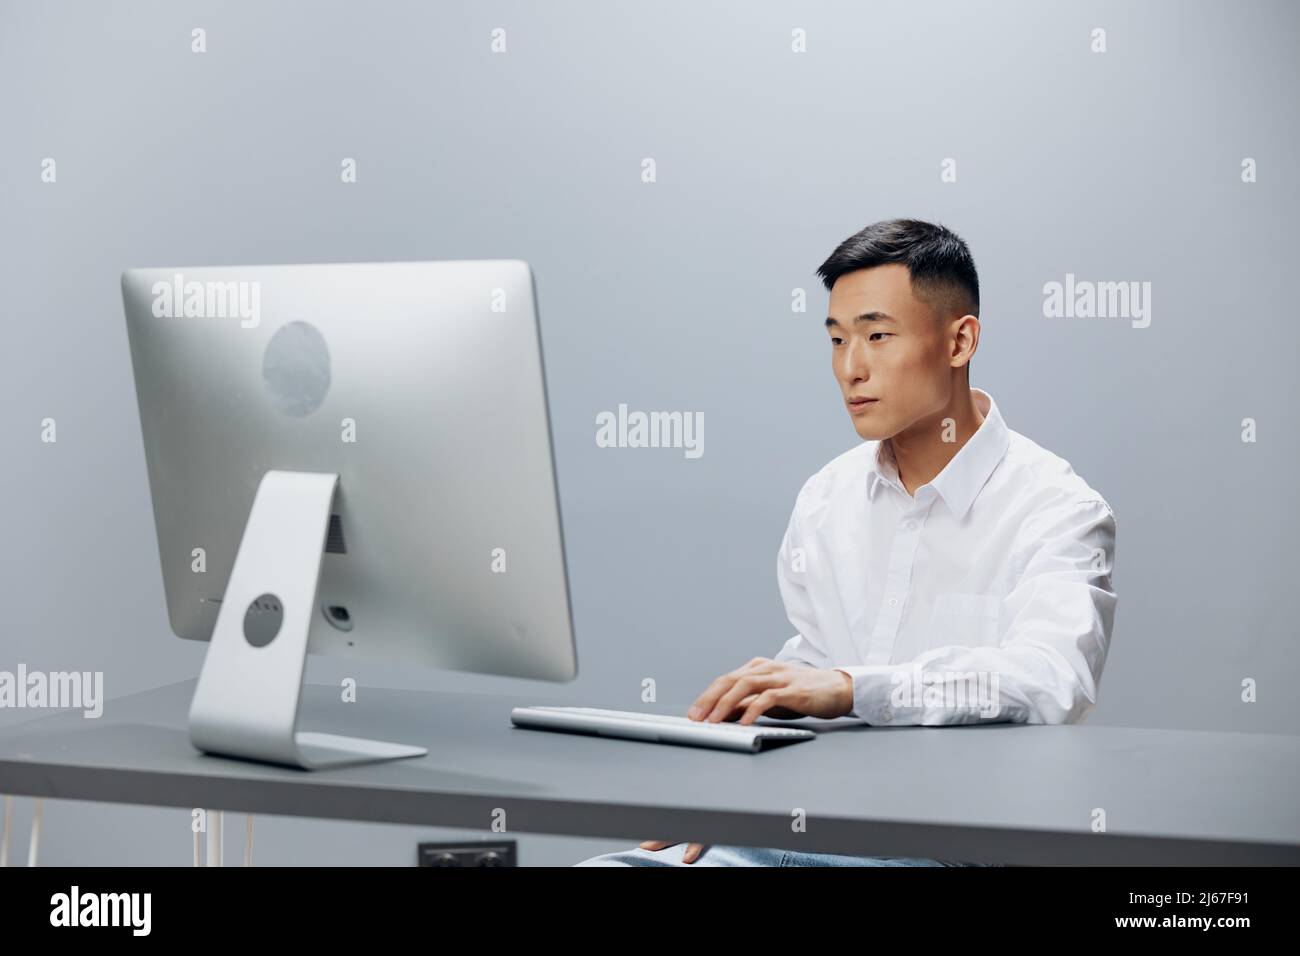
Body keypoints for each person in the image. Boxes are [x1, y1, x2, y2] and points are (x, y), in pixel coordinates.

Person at [576, 219, 1117, 866]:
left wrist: (851, 688)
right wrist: (729, 769)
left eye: (877, 336)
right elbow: (815, 674)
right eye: (836, 340)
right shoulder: (828, 497)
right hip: (809, 827)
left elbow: (1050, 683)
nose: (850, 368)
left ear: (960, 341)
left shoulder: (1055, 507)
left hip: (949, 847)